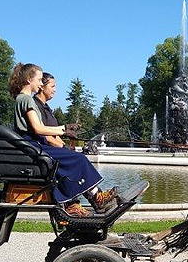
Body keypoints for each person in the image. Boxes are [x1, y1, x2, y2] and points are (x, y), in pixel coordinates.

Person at [8, 63, 117, 217]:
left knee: (73, 159)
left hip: (33, 145)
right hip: (34, 146)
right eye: (39, 80)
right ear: (28, 80)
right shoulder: (26, 100)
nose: (40, 84)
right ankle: (93, 200)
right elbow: (38, 129)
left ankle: (85, 201)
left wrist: (63, 131)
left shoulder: (22, 98)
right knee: (78, 159)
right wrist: (63, 129)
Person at [33, 72, 66, 149]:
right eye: (52, 86)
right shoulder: (35, 106)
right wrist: (63, 147)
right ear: (42, 87)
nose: (55, 90)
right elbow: (46, 136)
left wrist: (68, 147)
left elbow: (54, 136)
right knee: (80, 158)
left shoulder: (46, 107)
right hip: (42, 148)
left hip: (49, 147)